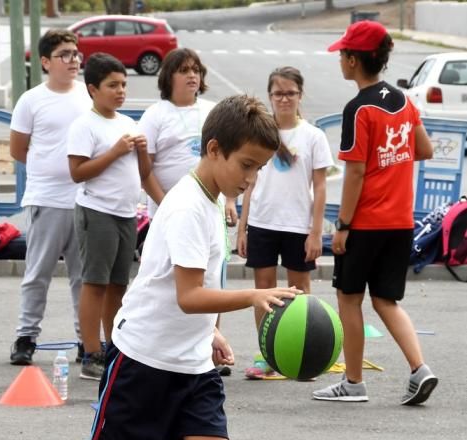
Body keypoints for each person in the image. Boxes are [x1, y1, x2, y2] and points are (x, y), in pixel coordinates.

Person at [0, 95, 302, 440]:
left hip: (190, 363)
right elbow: (188, 294)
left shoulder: (213, 200)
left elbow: (196, 290)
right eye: (246, 165)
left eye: (257, 168)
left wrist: (210, 333)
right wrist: (251, 298)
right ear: (214, 150)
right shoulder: (186, 205)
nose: (251, 178)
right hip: (143, 358)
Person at [312, 21, 438, 405]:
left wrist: (344, 226)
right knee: (386, 300)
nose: (339, 60)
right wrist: (394, 159)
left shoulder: (358, 108)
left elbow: (356, 170)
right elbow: (424, 149)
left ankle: (353, 383)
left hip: (366, 222)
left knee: (349, 298)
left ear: (353, 60)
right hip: (401, 221)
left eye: (342, 55)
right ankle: (420, 369)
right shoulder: (403, 101)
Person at [139, 48, 237, 377]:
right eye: (184, 70)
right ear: (169, 77)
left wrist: (230, 202)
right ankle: (169, 349)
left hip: (210, 209)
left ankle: (209, 346)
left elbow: (229, 165)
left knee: (212, 280)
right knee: (178, 284)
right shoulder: (156, 114)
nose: (192, 76)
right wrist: (166, 202)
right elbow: (145, 168)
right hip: (172, 211)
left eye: (196, 70)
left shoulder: (211, 112)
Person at [237, 66, 333, 379]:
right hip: (263, 223)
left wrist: (315, 232)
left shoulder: (313, 136)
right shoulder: (259, 134)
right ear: (270, 96)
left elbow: (320, 187)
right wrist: (242, 226)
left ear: (300, 95)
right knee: (262, 291)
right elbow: (248, 182)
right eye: (278, 93)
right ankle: (267, 356)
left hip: (297, 226)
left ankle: (302, 352)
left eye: (290, 93)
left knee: (299, 292)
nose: (284, 99)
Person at [9, 30, 91, 366]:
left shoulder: (87, 96)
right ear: (45, 62)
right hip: (46, 199)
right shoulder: (32, 100)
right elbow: (17, 148)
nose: (73, 60)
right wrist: (50, 169)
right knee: (38, 272)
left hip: (84, 200)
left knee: (83, 277)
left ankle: (87, 341)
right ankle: (26, 337)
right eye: (65, 55)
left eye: (76, 54)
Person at [67, 53, 148, 381]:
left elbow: (143, 174)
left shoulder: (128, 123)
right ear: (92, 89)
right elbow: (77, 172)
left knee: (118, 285)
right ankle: (92, 352)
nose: (120, 91)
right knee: (95, 283)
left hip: (126, 214)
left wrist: (142, 150)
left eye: (124, 85)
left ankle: (115, 347)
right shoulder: (84, 125)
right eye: (112, 85)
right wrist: (114, 151)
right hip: (96, 212)